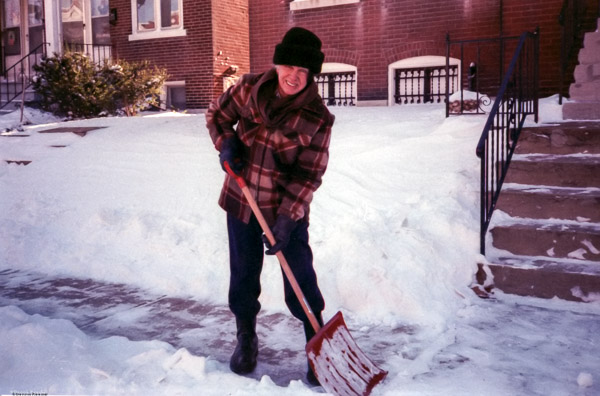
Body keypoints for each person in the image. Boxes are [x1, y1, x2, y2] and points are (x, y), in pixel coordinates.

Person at [205, 27, 334, 385]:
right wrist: (226, 143)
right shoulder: (248, 88)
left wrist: (288, 220)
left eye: (304, 70)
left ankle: (317, 343)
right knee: (244, 275)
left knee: (300, 279)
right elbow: (216, 114)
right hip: (241, 200)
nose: (295, 75)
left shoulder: (317, 117)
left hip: (283, 210)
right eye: (289, 66)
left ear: (311, 75)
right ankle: (246, 337)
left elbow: (309, 174)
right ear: (278, 63)